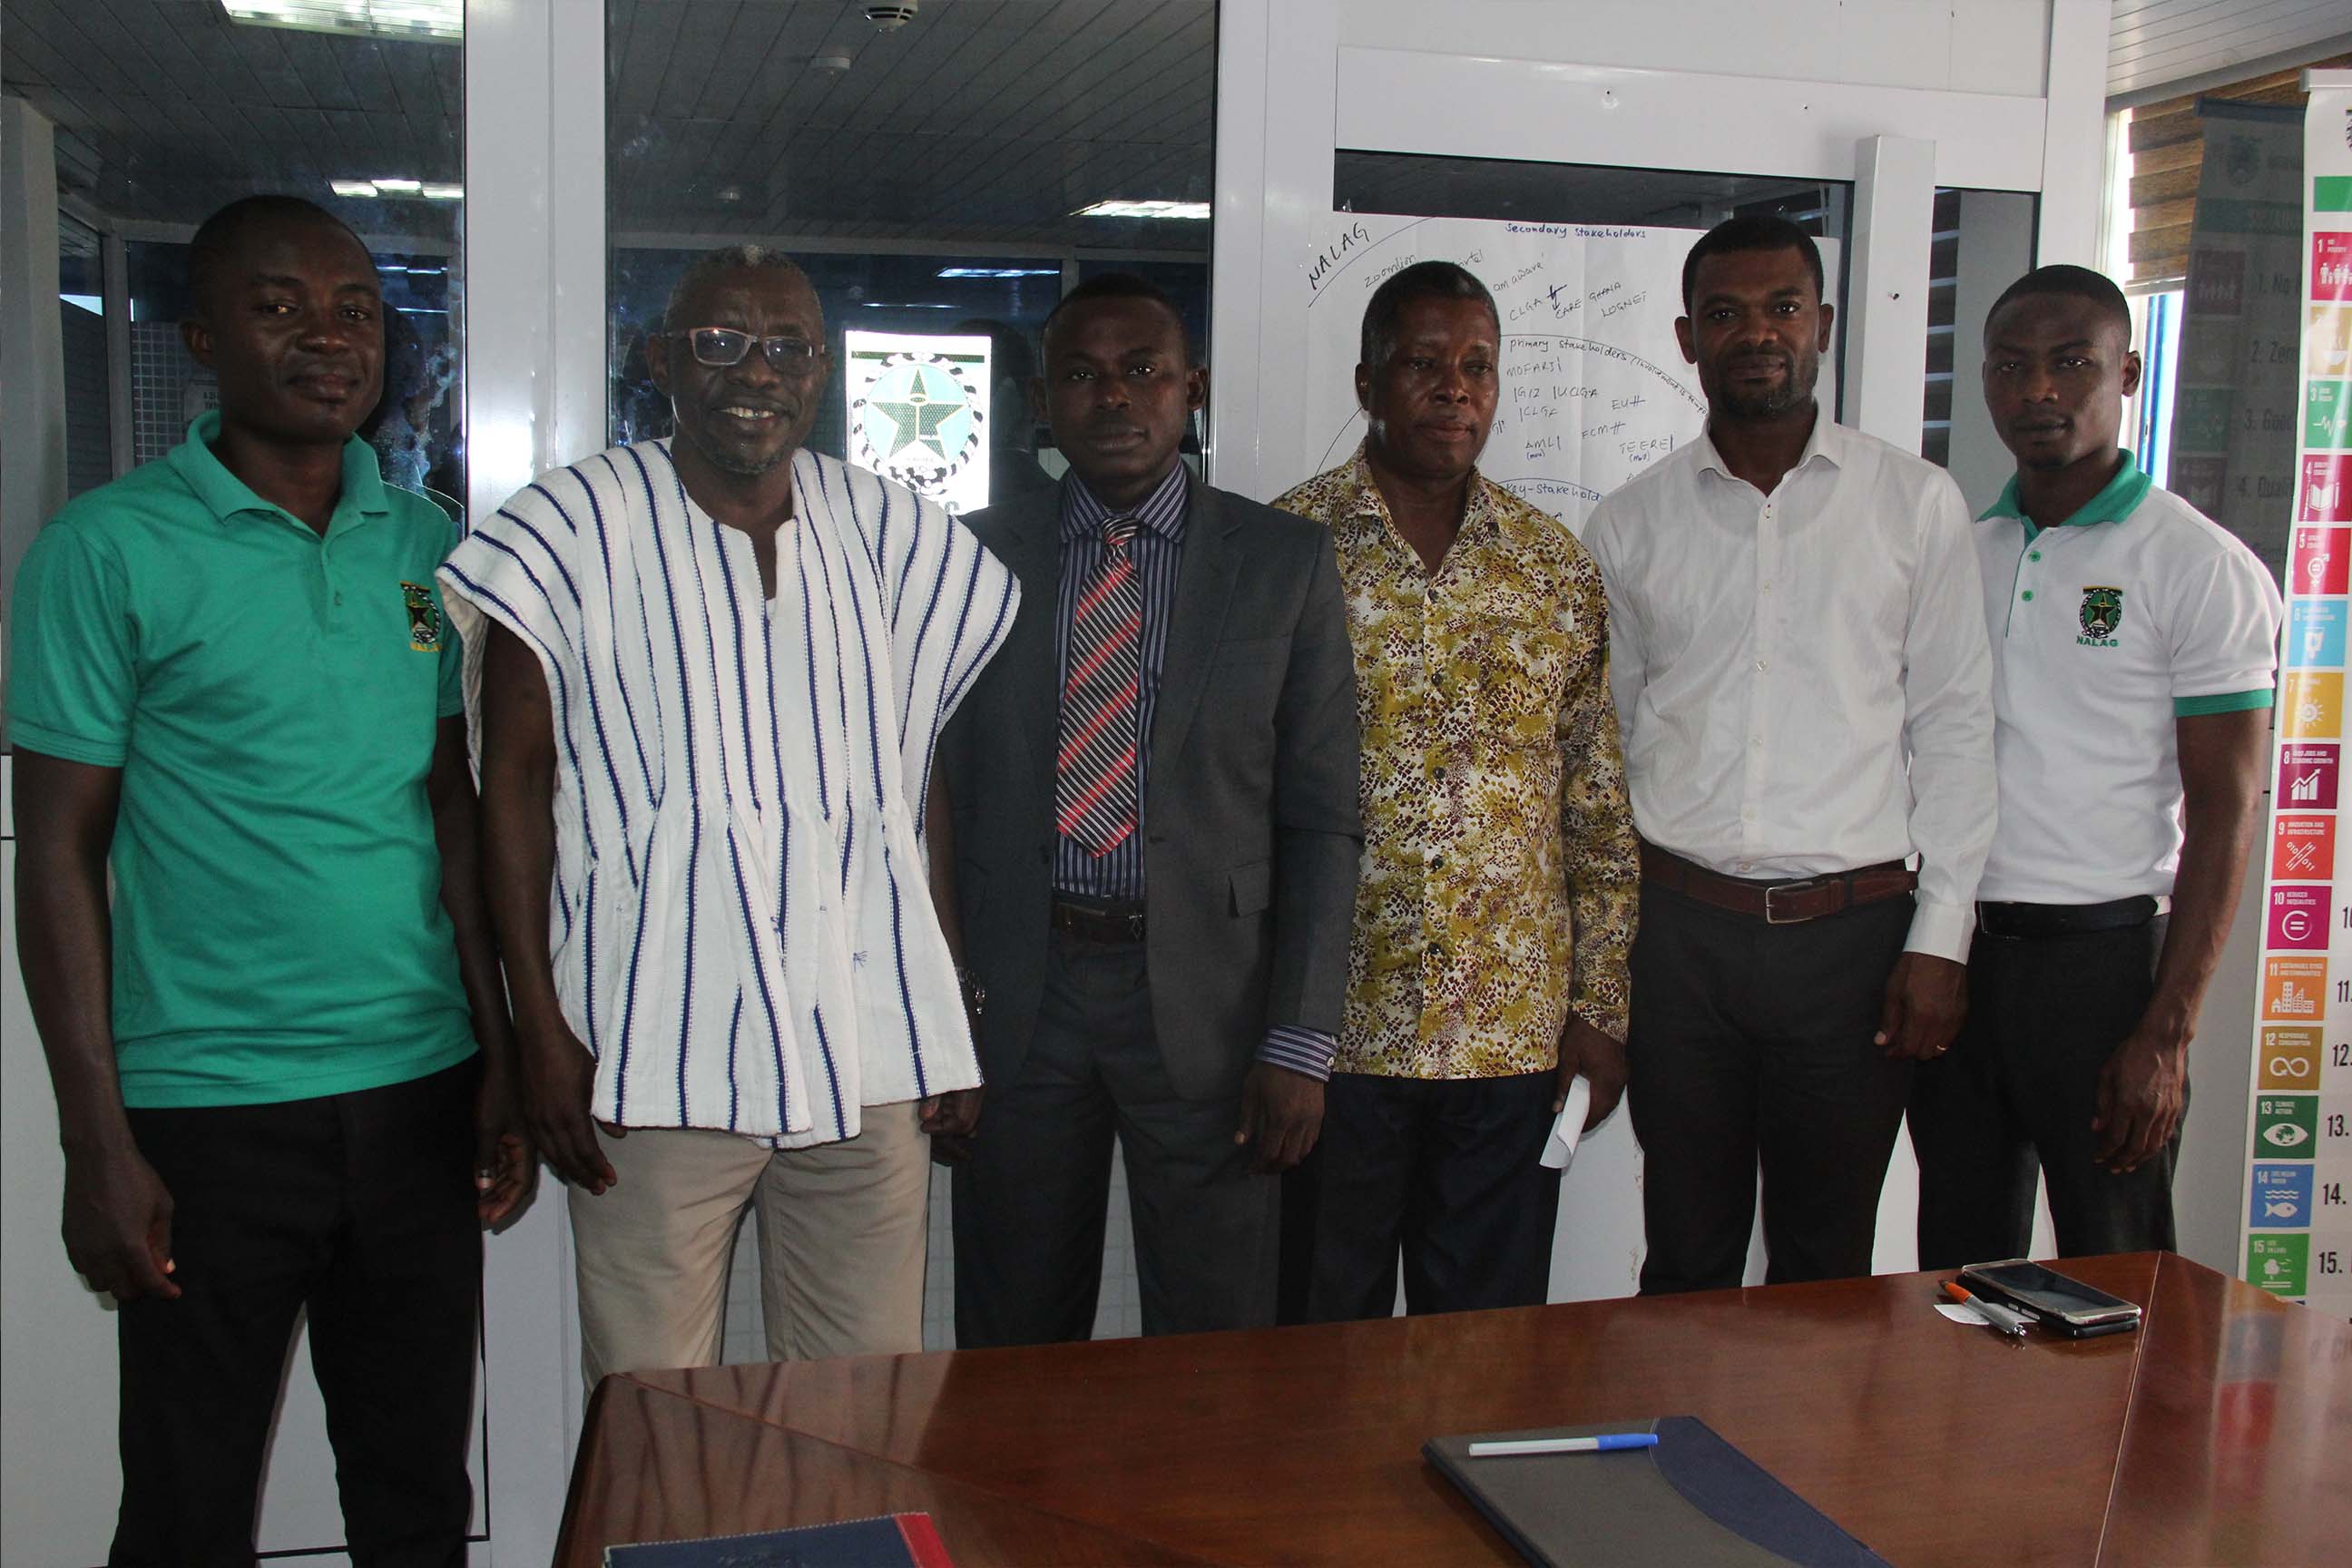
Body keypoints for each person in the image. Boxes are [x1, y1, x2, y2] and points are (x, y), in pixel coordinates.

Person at [6, 194, 530, 1566]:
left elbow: (450, 807)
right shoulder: (105, 551)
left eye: (355, 310)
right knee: (187, 1512)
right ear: (201, 338)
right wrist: (94, 1142)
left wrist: (498, 1055)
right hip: (208, 1111)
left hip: (416, 1094)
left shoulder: (422, 548)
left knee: (417, 1500)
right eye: (279, 305)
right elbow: (56, 852)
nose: (328, 337)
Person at [443, 245, 1017, 1386]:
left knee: (863, 1401)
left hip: (864, 1041)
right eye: (720, 343)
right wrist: (536, 1029)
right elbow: (508, 788)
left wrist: (944, 1002)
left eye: (788, 347)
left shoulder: (892, 533)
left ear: (822, 373)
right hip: (651, 1044)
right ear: (659, 361)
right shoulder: (568, 530)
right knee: (658, 1407)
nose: (757, 372)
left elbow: (913, 782)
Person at [939, 272, 1361, 1344]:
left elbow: (1323, 819)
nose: (1115, 397)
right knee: (1015, 1337)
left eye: (1143, 371)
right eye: (1083, 376)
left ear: (1192, 388)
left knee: (1216, 1340)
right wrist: (937, 1025)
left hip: (1214, 1008)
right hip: (1021, 1001)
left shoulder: (1283, 563)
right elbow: (934, 800)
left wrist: (1299, 1041)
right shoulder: (968, 559)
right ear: (1043, 400)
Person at [1583, 214, 1996, 1293]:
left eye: (1782, 309)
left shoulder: (1915, 505)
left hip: (1854, 947)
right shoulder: (1628, 526)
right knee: (1687, 1255)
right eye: (1725, 314)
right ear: (1688, 337)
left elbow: (1955, 726)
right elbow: (1608, 751)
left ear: (1824, 324)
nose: (1756, 333)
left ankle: (1816, 1423)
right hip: (1681, 943)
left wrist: (1942, 937)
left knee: (1825, 1269)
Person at [1269, 262, 1638, 1319]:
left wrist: (1601, 1009)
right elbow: (1237, 802)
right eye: (1424, 363)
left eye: (1478, 366)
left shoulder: (1552, 569)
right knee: (1319, 1341)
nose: (1455, 389)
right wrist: (1265, 1027)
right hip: (1333, 1039)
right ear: (1367, 382)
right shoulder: (1286, 552)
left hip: (1510, 1043)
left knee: (1485, 1354)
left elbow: (1596, 811)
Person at [1909, 265, 2279, 1267]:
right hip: (1960, 956)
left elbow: (2227, 811)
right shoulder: (1963, 550)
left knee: (2118, 1277)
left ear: (2129, 373)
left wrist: (2167, 1031)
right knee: (1961, 1276)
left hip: (2105, 970)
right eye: (2011, 367)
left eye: (2072, 363)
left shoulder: (2199, 566)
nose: (2039, 391)